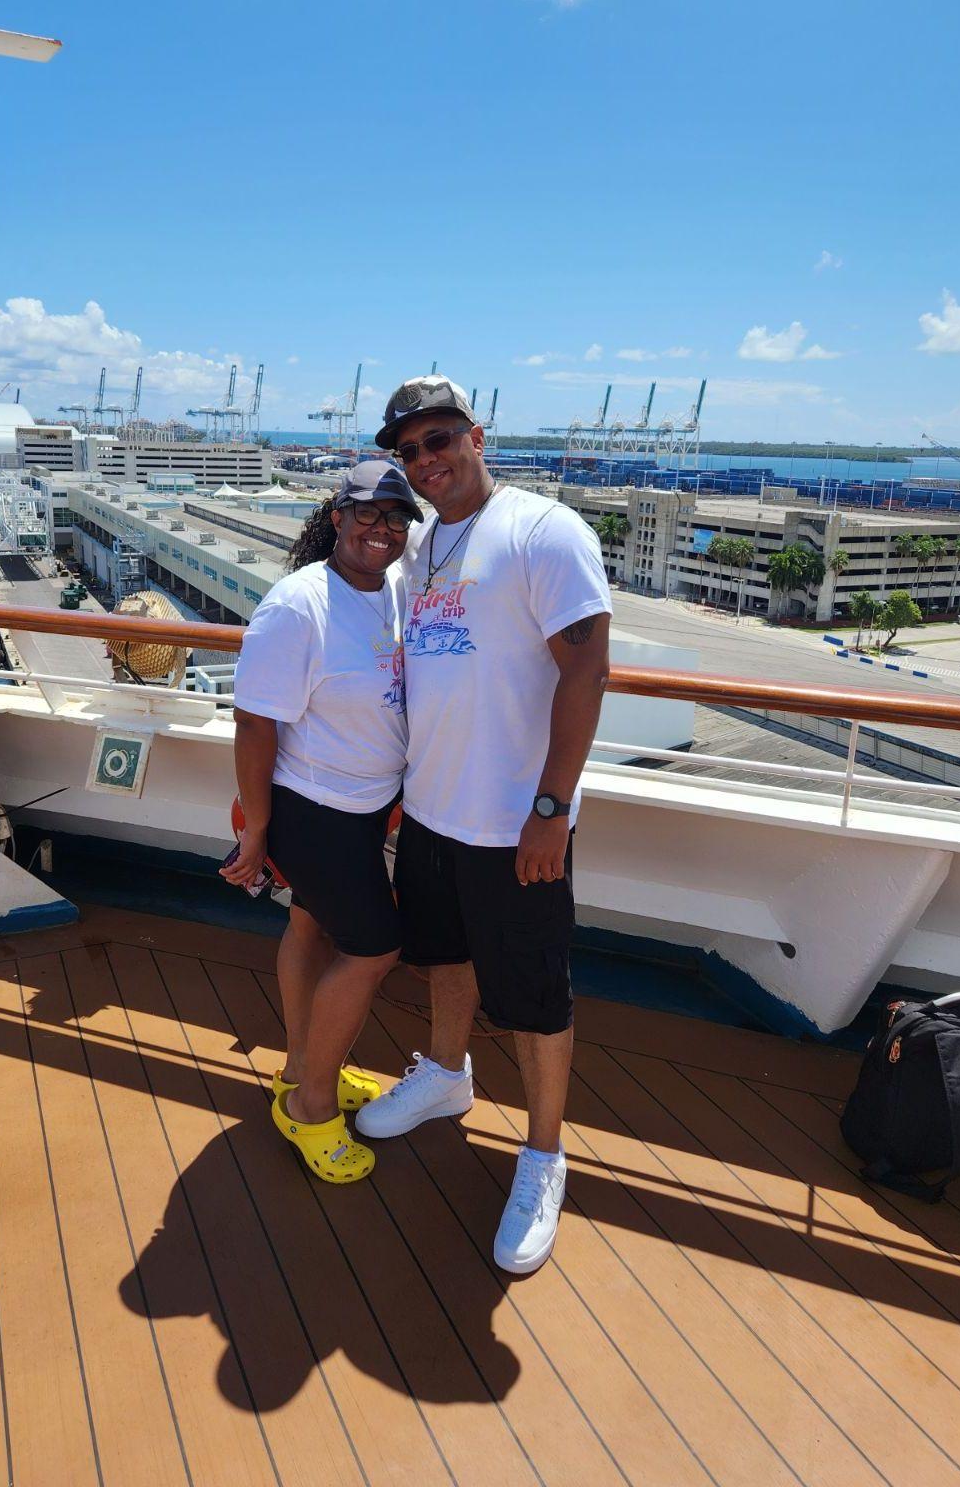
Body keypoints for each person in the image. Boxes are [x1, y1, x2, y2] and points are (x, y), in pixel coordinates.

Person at [356, 377, 612, 1272]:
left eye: (438, 439)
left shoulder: (544, 531)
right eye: (409, 451)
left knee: (536, 1000)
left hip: (515, 824)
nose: (425, 460)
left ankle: (543, 1155)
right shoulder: (426, 544)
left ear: (475, 435)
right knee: (446, 958)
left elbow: (588, 672)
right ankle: (446, 1075)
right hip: (432, 813)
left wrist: (551, 809)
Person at [221, 460, 419, 1183]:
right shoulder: (298, 605)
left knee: (310, 929)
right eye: (367, 512)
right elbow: (254, 724)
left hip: (363, 811)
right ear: (336, 518)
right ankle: (310, 1107)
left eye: (396, 517)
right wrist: (257, 832)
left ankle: (302, 1066)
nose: (381, 528)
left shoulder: (393, 590)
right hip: (311, 811)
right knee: (374, 949)